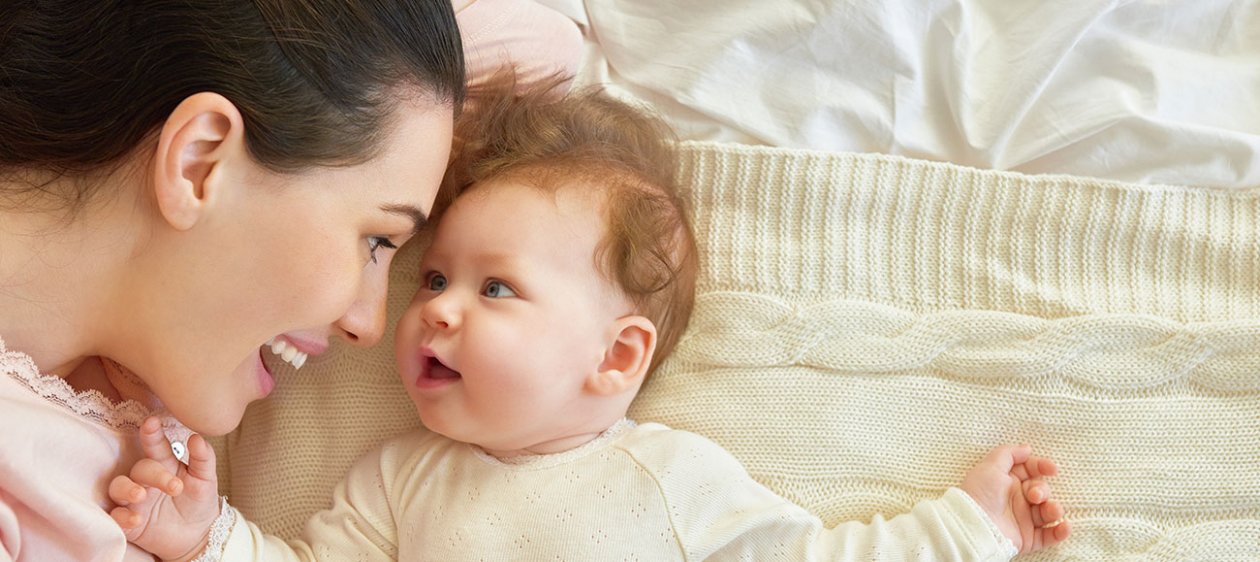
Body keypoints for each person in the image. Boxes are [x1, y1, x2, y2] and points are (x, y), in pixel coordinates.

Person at [105, 79, 1072, 561]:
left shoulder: (672, 484)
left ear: (613, 357)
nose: (434, 308)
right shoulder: (397, 483)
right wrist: (208, 540)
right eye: (434, 277)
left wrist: (970, 523)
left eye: (494, 289)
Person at [0, 1, 580, 561]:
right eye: (376, 241)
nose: (369, 324)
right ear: (199, 163)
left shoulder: (125, 361)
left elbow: (549, 54)